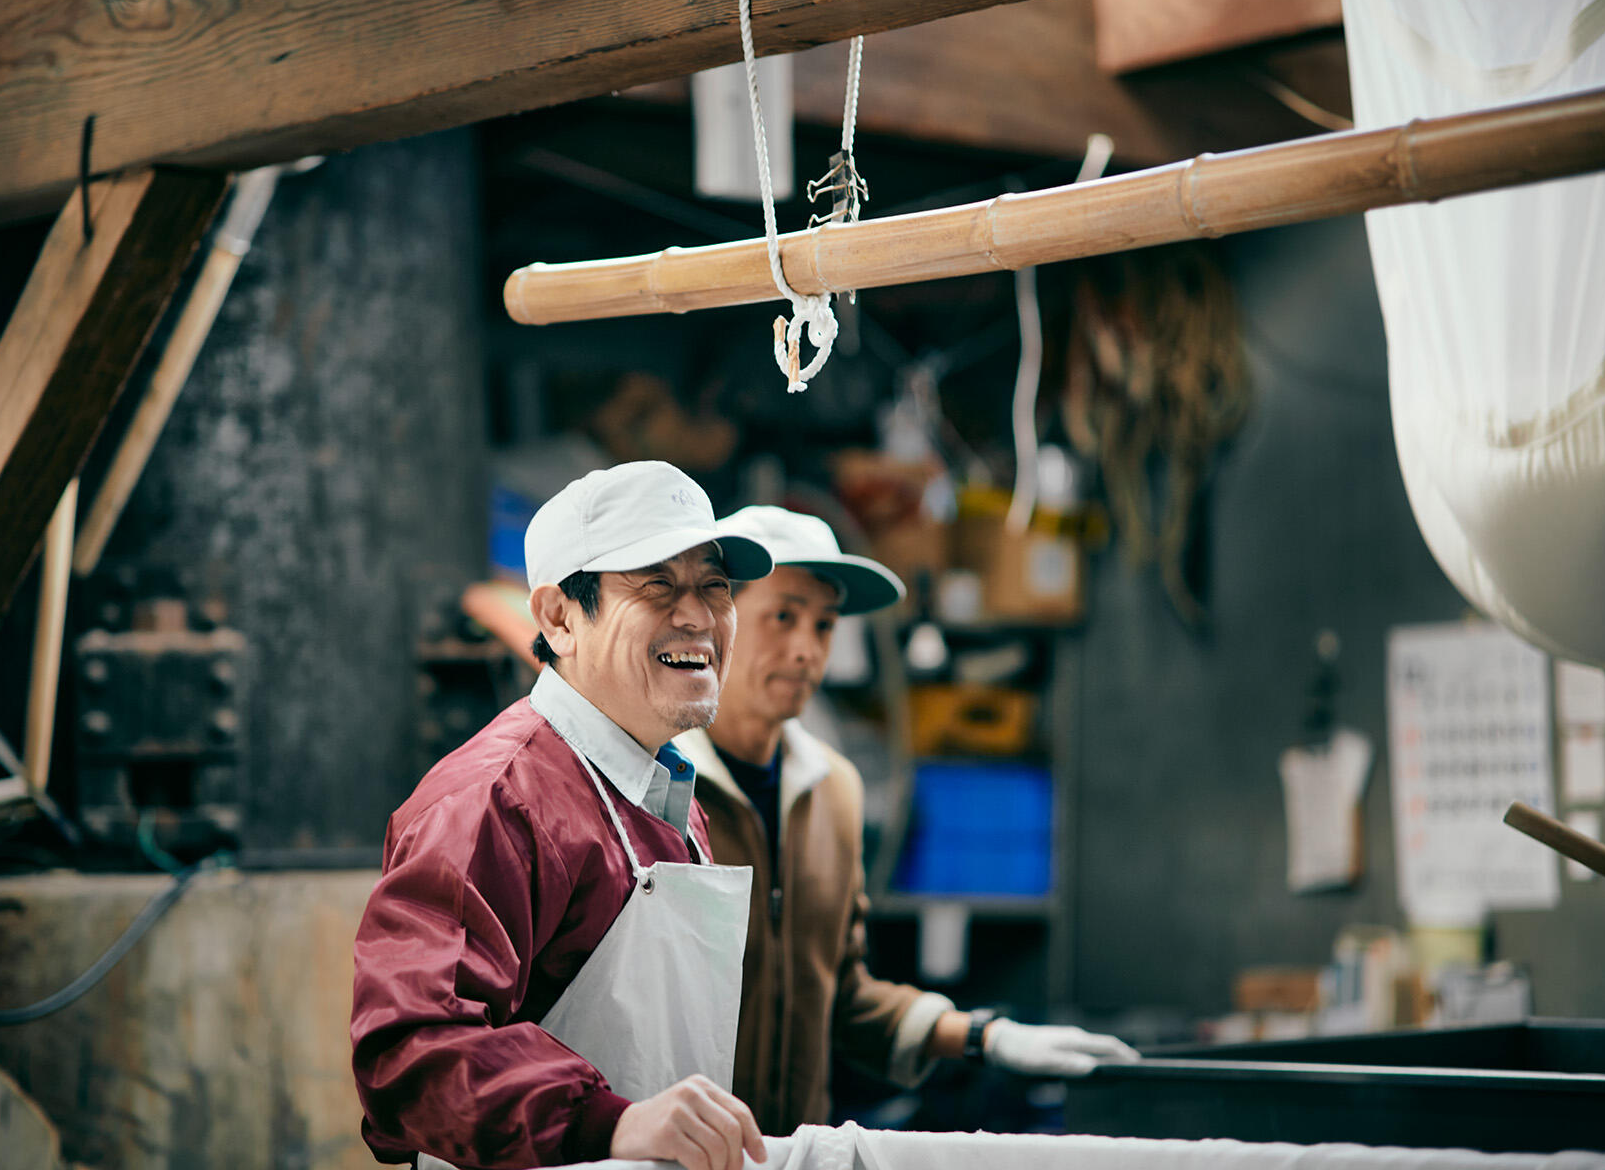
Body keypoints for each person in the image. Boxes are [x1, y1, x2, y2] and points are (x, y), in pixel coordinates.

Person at [352, 462, 776, 1170]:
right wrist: (610, 1125)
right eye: (657, 584)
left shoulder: (668, 796)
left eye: (714, 585)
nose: (699, 616)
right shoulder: (495, 800)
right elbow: (409, 1051)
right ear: (558, 617)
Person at [673, 505, 1137, 1135]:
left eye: (825, 625)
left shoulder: (832, 790)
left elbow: (842, 998)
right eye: (782, 617)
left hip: (793, 1158)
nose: (808, 650)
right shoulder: (658, 783)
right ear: (716, 620)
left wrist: (985, 1037)